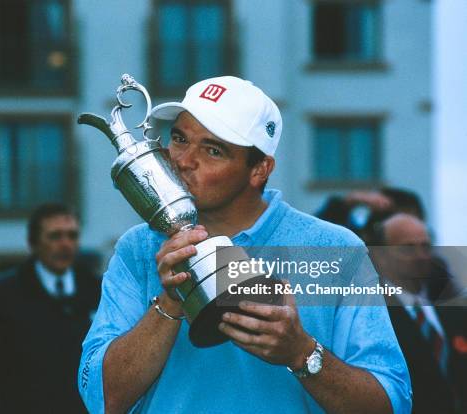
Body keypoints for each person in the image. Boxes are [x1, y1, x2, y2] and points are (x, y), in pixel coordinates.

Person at [78, 76, 411, 413]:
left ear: (260, 170)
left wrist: (301, 353)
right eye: (179, 138)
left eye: (212, 150)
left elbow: (391, 403)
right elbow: (101, 398)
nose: (182, 160)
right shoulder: (138, 248)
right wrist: (170, 301)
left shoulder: (335, 249)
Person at [0, 204, 100, 413]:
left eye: (72, 236)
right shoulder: (2, 295)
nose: (65, 244)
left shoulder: (97, 289)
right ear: (33, 243)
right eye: (55, 236)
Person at [371, 213, 466, 413]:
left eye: (425, 246)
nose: (421, 256)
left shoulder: (452, 309)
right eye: (408, 248)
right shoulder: (372, 313)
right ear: (380, 256)